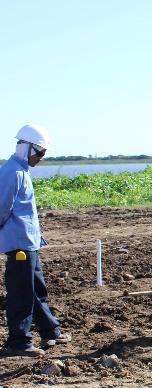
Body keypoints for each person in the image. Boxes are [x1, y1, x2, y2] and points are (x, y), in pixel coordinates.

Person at [1, 124, 70, 357]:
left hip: (30, 243)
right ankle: (18, 343)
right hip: (19, 245)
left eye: (43, 154)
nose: (41, 158)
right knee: (21, 294)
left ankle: (51, 331)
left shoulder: (21, 171)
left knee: (36, 290)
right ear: (26, 147)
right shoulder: (13, 172)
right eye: (39, 152)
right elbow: (1, 208)